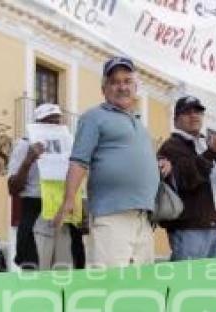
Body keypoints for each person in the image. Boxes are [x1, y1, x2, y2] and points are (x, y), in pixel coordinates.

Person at [53, 56, 164, 267]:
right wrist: (68, 201)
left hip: (143, 219)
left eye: (127, 81)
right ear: (104, 89)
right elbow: (79, 161)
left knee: (141, 290)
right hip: (111, 216)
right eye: (114, 82)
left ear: (135, 87)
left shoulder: (140, 124)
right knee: (109, 286)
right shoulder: (94, 117)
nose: (121, 87)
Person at [8, 103, 84, 270]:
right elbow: (12, 188)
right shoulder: (24, 145)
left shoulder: (70, 146)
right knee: (37, 274)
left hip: (66, 215)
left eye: (57, 122)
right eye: (47, 122)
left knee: (67, 272)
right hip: (37, 214)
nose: (53, 126)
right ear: (37, 124)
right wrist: (28, 161)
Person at [157, 95, 216, 260]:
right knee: (189, 283)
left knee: (212, 283)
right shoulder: (172, 146)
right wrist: (211, 152)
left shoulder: (205, 143)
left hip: (214, 225)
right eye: (187, 112)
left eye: (198, 112)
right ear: (176, 120)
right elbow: (186, 179)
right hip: (189, 228)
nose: (194, 115)